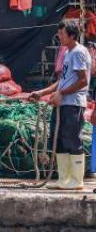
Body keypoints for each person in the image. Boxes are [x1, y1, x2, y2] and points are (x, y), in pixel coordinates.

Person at [30, 21, 91, 190]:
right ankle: (64, 179)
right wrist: (42, 93)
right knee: (60, 142)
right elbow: (62, 81)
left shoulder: (79, 52)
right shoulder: (68, 53)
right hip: (62, 104)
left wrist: (62, 94)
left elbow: (83, 81)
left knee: (72, 140)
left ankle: (76, 181)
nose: (59, 36)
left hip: (73, 104)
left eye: (62, 33)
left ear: (72, 35)